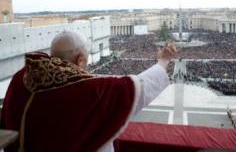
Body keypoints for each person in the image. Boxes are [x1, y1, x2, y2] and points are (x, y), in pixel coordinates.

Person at [0, 31, 176, 152]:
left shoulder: (21, 78)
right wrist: (163, 61)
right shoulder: (88, 91)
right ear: (80, 59)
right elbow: (137, 88)